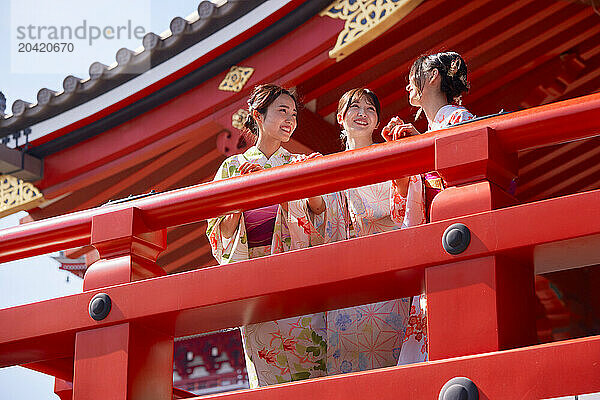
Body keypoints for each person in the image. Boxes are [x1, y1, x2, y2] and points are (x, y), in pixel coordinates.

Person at [286, 88, 426, 375]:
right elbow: (321, 222)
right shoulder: (327, 168)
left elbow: (405, 208)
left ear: (377, 122)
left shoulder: (390, 157)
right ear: (340, 117)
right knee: (350, 370)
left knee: (397, 368)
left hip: (391, 279)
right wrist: (309, 184)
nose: (362, 114)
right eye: (355, 107)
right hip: (349, 280)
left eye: (370, 109)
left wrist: (404, 158)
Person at [206, 84, 328, 387]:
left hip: (296, 275)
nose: (290, 120)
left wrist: (310, 187)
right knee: (267, 370)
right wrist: (238, 199)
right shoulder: (232, 167)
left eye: (294, 114)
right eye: (282, 111)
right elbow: (220, 232)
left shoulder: (300, 163)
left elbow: (322, 217)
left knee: (313, 363)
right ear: (258, 116)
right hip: (255, 279)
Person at [382, 51, 476, 365]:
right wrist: (411, 150)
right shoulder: (437, 127)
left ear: (432, 77)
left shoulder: (456, 120)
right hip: (439, 240)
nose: (409, 86)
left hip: (455, 236)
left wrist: (420, 150)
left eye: (414, 78)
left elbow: (458, 183)